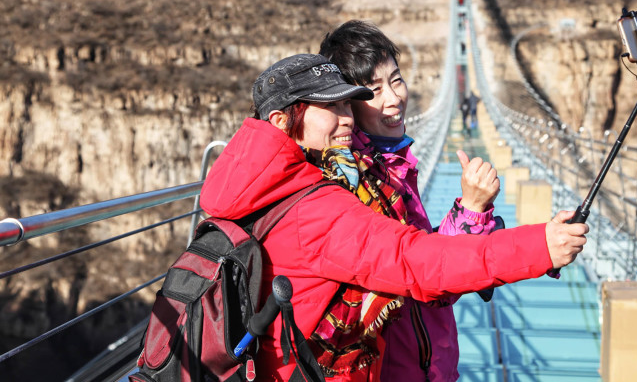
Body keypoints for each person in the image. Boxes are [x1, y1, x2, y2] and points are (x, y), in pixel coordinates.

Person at [199, 53, 588, 382]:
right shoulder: (314, 209)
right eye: (330, 106)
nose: (347, 117)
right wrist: (540, 246)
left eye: (347, 103)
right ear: (283, 122)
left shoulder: (262, 184)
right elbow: (417, 263)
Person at [318, 21, 492, 381]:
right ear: (348, 105)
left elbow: (424, 256)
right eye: (374, 89)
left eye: (396, 80)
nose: (393, 98)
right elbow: (429, 277)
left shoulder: (394, 165)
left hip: (430, 363)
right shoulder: (359, 186)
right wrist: (470, 210)